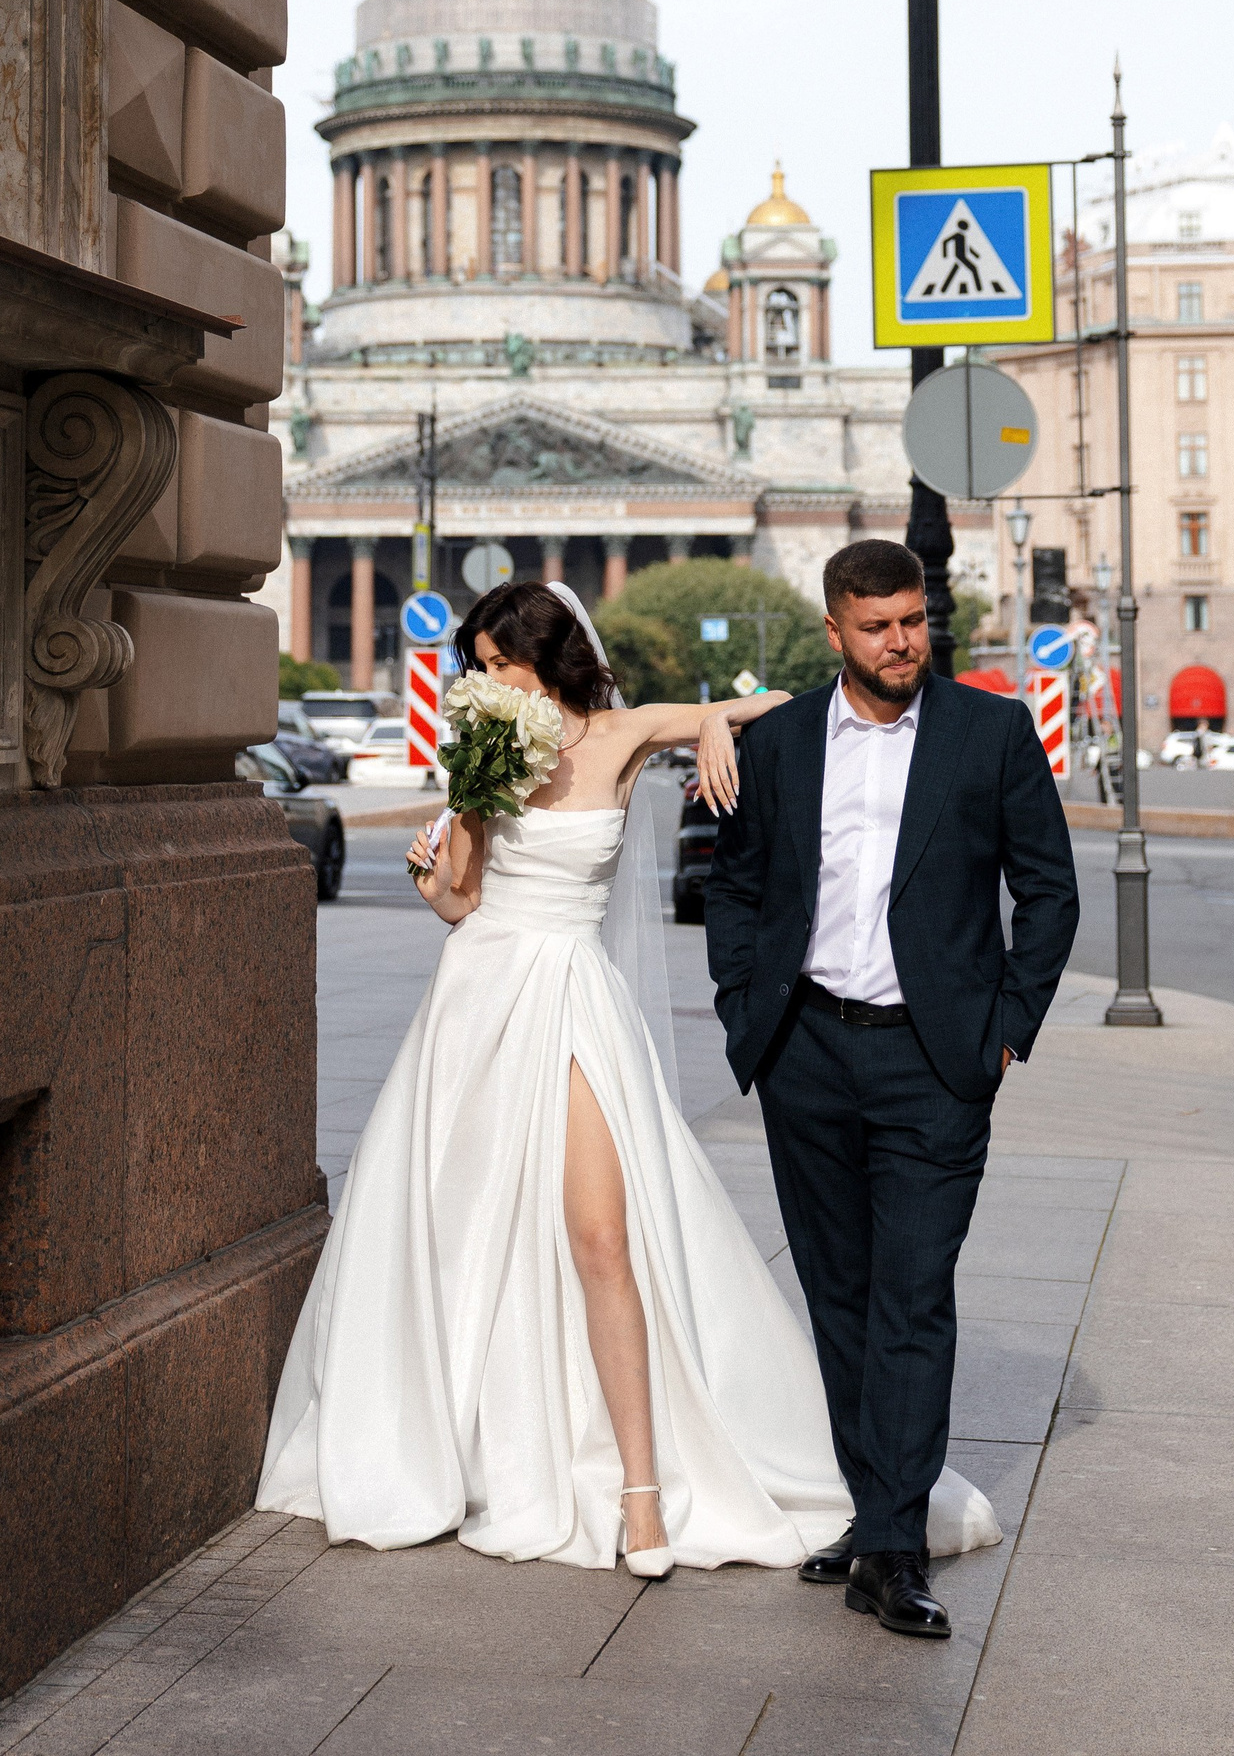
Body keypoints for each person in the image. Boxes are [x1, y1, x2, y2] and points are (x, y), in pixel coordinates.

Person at [257, 580, 878, 1575]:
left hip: (576, 996)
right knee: (463, 1231)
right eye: (480, 668)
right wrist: (429, 876)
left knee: (601, 1236)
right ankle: (470, 1448)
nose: (487, 682)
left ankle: (642, 1493)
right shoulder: (486, 748)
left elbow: (775, 705)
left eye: (499, 664)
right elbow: (462, 899)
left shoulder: (622, 735)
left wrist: (713, 722)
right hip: (478, 1001)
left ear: (545, 655)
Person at [705, 540, 1079, 1638]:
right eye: (877, 626)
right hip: (807, 1052)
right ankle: (872, 1516)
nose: (901, 641)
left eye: (913, 620)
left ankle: (895, 1545)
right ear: (836, 631)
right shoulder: (778, 742)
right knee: (840, 1295)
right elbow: (736, 886)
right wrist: (745, 1010)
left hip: (935, 1063)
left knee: (912, 1295)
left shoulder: (990, 732)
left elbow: (1049, 893)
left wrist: (1005, 1033)